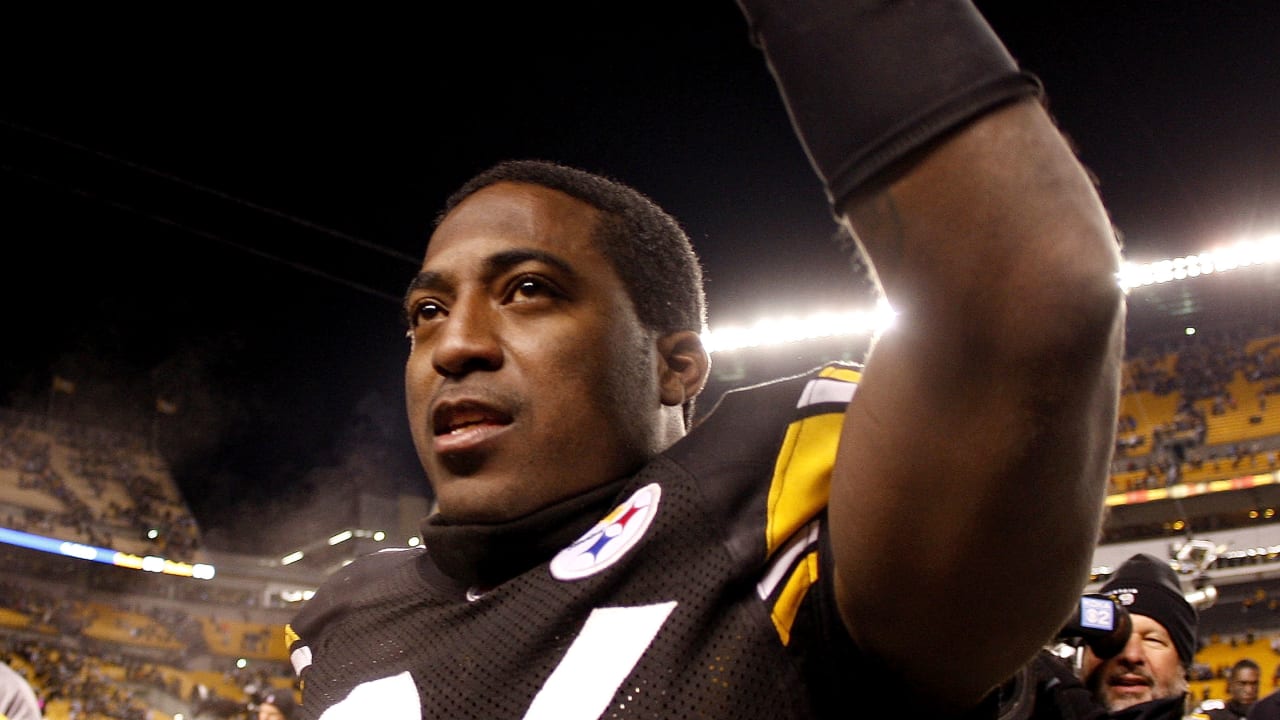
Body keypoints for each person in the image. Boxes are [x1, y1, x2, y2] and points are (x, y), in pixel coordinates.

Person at [286, 1, 1126, 718]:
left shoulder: (778, 516)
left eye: (530, 289)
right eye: (427, 312)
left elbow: (1028, 288)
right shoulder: (343, 616)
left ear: (676, 367)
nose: (457, 345)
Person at [1192, 658, 1260, 720]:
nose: (1249, 690)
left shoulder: (1267, 713)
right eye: (1242, 684)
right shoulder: (1211, 714)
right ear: (1230, 684)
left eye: (1254, 683)